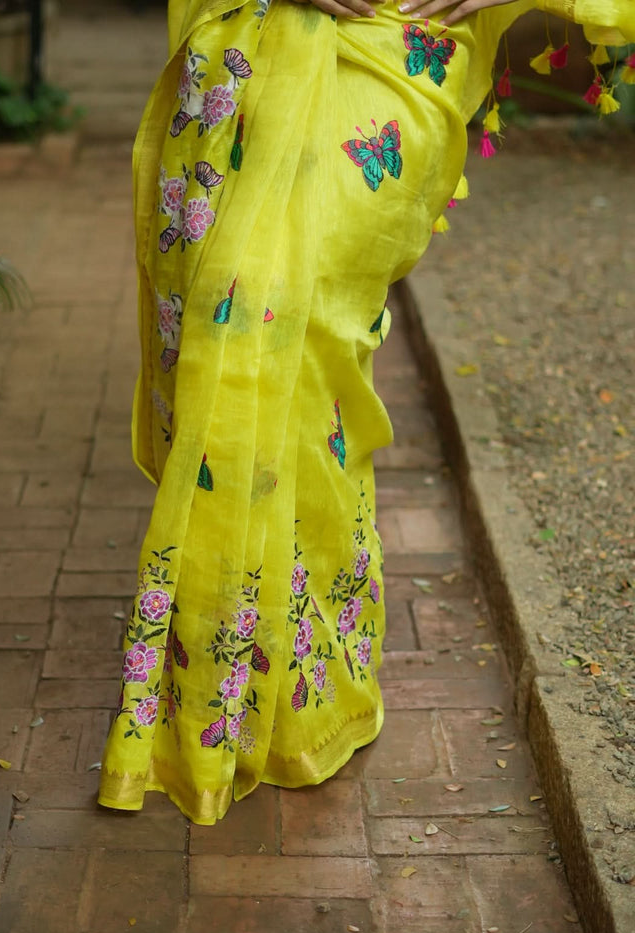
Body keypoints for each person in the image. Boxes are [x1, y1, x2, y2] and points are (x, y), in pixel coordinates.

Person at [98, 0, 635, 824]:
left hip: (396, 62)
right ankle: (243, 681)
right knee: (228, 341)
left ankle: (301, 687)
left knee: (289, 332)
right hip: (257, 42)